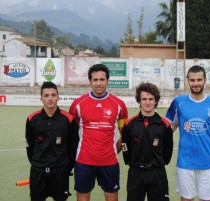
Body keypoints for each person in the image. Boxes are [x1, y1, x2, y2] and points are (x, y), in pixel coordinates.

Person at [69, 64, 128, 201]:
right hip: (84, 161)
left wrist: (114, 150)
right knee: (83, 197)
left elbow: (125, 134)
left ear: (108, 80)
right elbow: (71, 134)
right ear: (90, 81)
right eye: (95, 80)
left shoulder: (119, 105)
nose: (99, 83)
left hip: (109, 162)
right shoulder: (78, 104)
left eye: (102, 79)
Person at [166, 65, 210, 201]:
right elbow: (170, 127)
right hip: (185, 161)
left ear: (205, 80)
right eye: (192, 80)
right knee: (186, 199)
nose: (196, 83)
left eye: (199, 80)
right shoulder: (179, 102)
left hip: (207, 161)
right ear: (187, 81)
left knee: (207, 199)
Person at [25, 81, 79, 201]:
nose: (50, 98)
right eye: (46, 95)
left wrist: (66, 168)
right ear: (41, 99)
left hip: (60, 171)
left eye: (53, 95)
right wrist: (37, 164)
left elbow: (73, 146)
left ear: (58, 97)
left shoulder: (69, 119)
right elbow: (29, 146)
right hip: (38, 171)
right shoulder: (31, 119)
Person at [122, 82, 173, 201]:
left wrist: (159, 163)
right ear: (139, 101)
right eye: (144, 99)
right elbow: (125, 147)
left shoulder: (164, 124)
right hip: (136, 172)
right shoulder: (129, 124)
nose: (147, 102)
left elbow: (168, 149)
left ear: (156, 101)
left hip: (157, 173)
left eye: (151, 99)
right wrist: (132, 163)